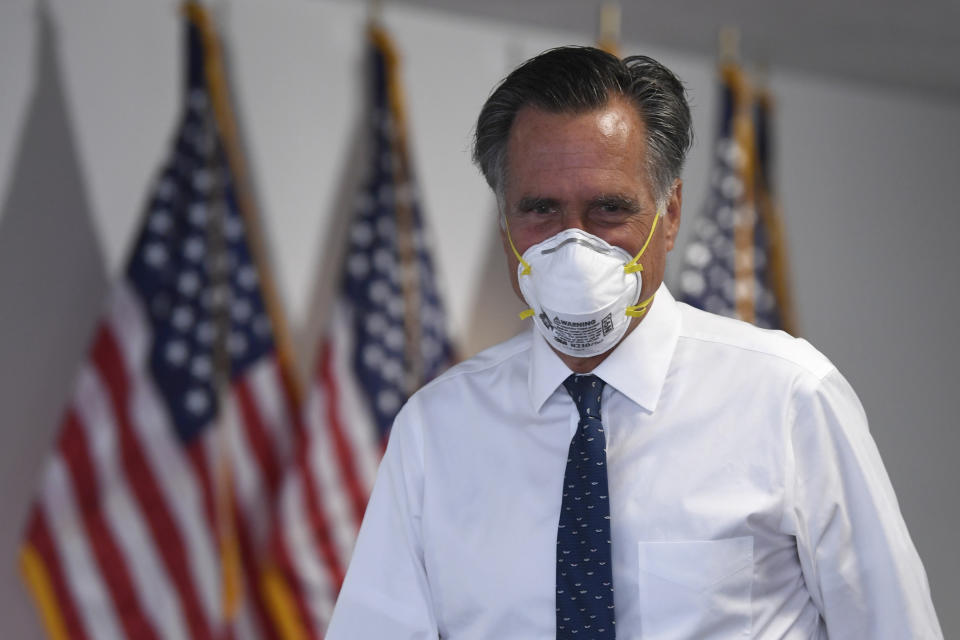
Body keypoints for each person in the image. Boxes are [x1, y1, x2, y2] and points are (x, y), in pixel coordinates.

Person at [325, 47, 942, 639]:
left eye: (608, 210)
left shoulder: (787, 399)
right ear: (505, 220)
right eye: (539, 209)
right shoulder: (437, 430)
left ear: (670, 213)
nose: (572, 245)